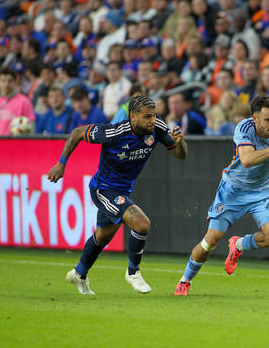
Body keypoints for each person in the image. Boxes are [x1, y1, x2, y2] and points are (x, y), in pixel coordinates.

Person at [47, 96, 188, 295]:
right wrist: (61, 164)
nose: (152, 120)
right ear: (133, 117)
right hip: (103, 189)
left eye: (154, 115)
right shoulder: (114, 132)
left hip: (122, 190)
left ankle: (79, 274)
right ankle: (133, 272)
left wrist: (179, 143)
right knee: (142, 224)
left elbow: (181, 155)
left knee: (102, 236)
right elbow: (78, 132)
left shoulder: (158, 128)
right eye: (147, 116)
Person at [174, 93, 269, 295]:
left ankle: (238, 244)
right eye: (268, 120)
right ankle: (185, 280)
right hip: (233, 190)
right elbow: (247, 160)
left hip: (262, 190)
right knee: (211, 241)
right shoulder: (244, 128)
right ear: (255, 119)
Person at [0, 68, 35, 135]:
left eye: (10, 81)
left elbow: (31, 123)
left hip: (15, 142)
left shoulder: (24, 101)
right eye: (3, 81)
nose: (6, 84)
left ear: (15, 82)